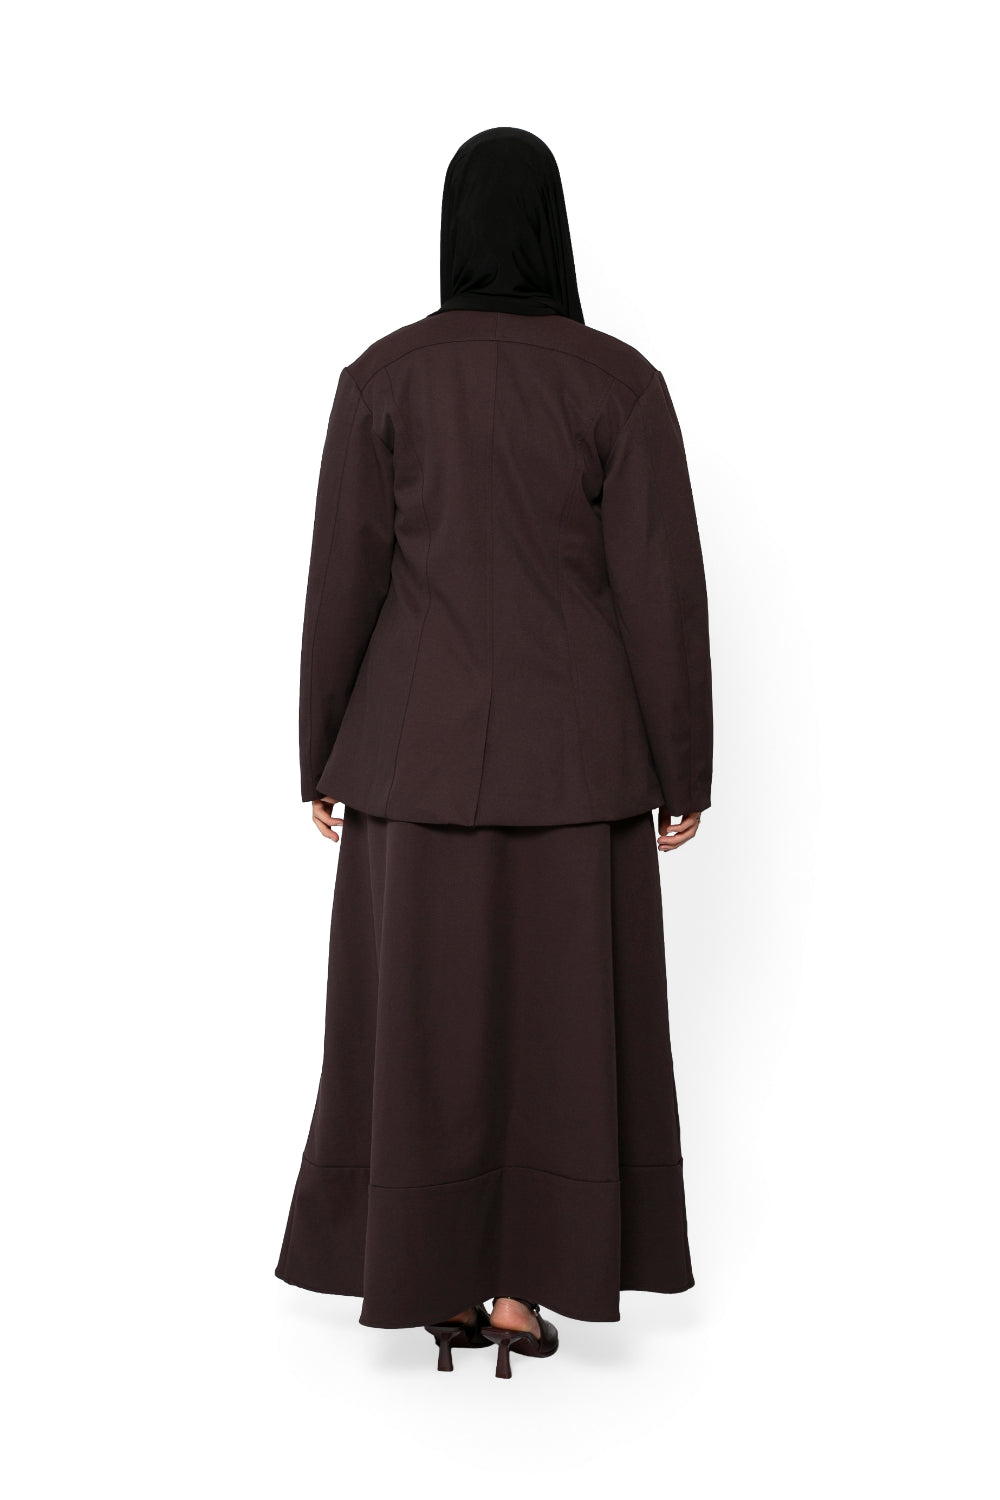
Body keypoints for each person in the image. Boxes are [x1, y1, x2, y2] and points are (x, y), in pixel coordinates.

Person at [275, 126, 713, 1379]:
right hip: (580, 769)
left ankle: (430, 1277)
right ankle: (524, 1293)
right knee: (561, 1029)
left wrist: (321, 753)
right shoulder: (618, 384)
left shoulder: (384, 379)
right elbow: (661, 594)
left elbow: (343, 582)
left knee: (422, 1027)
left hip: (412, 767)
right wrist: (683, 767)